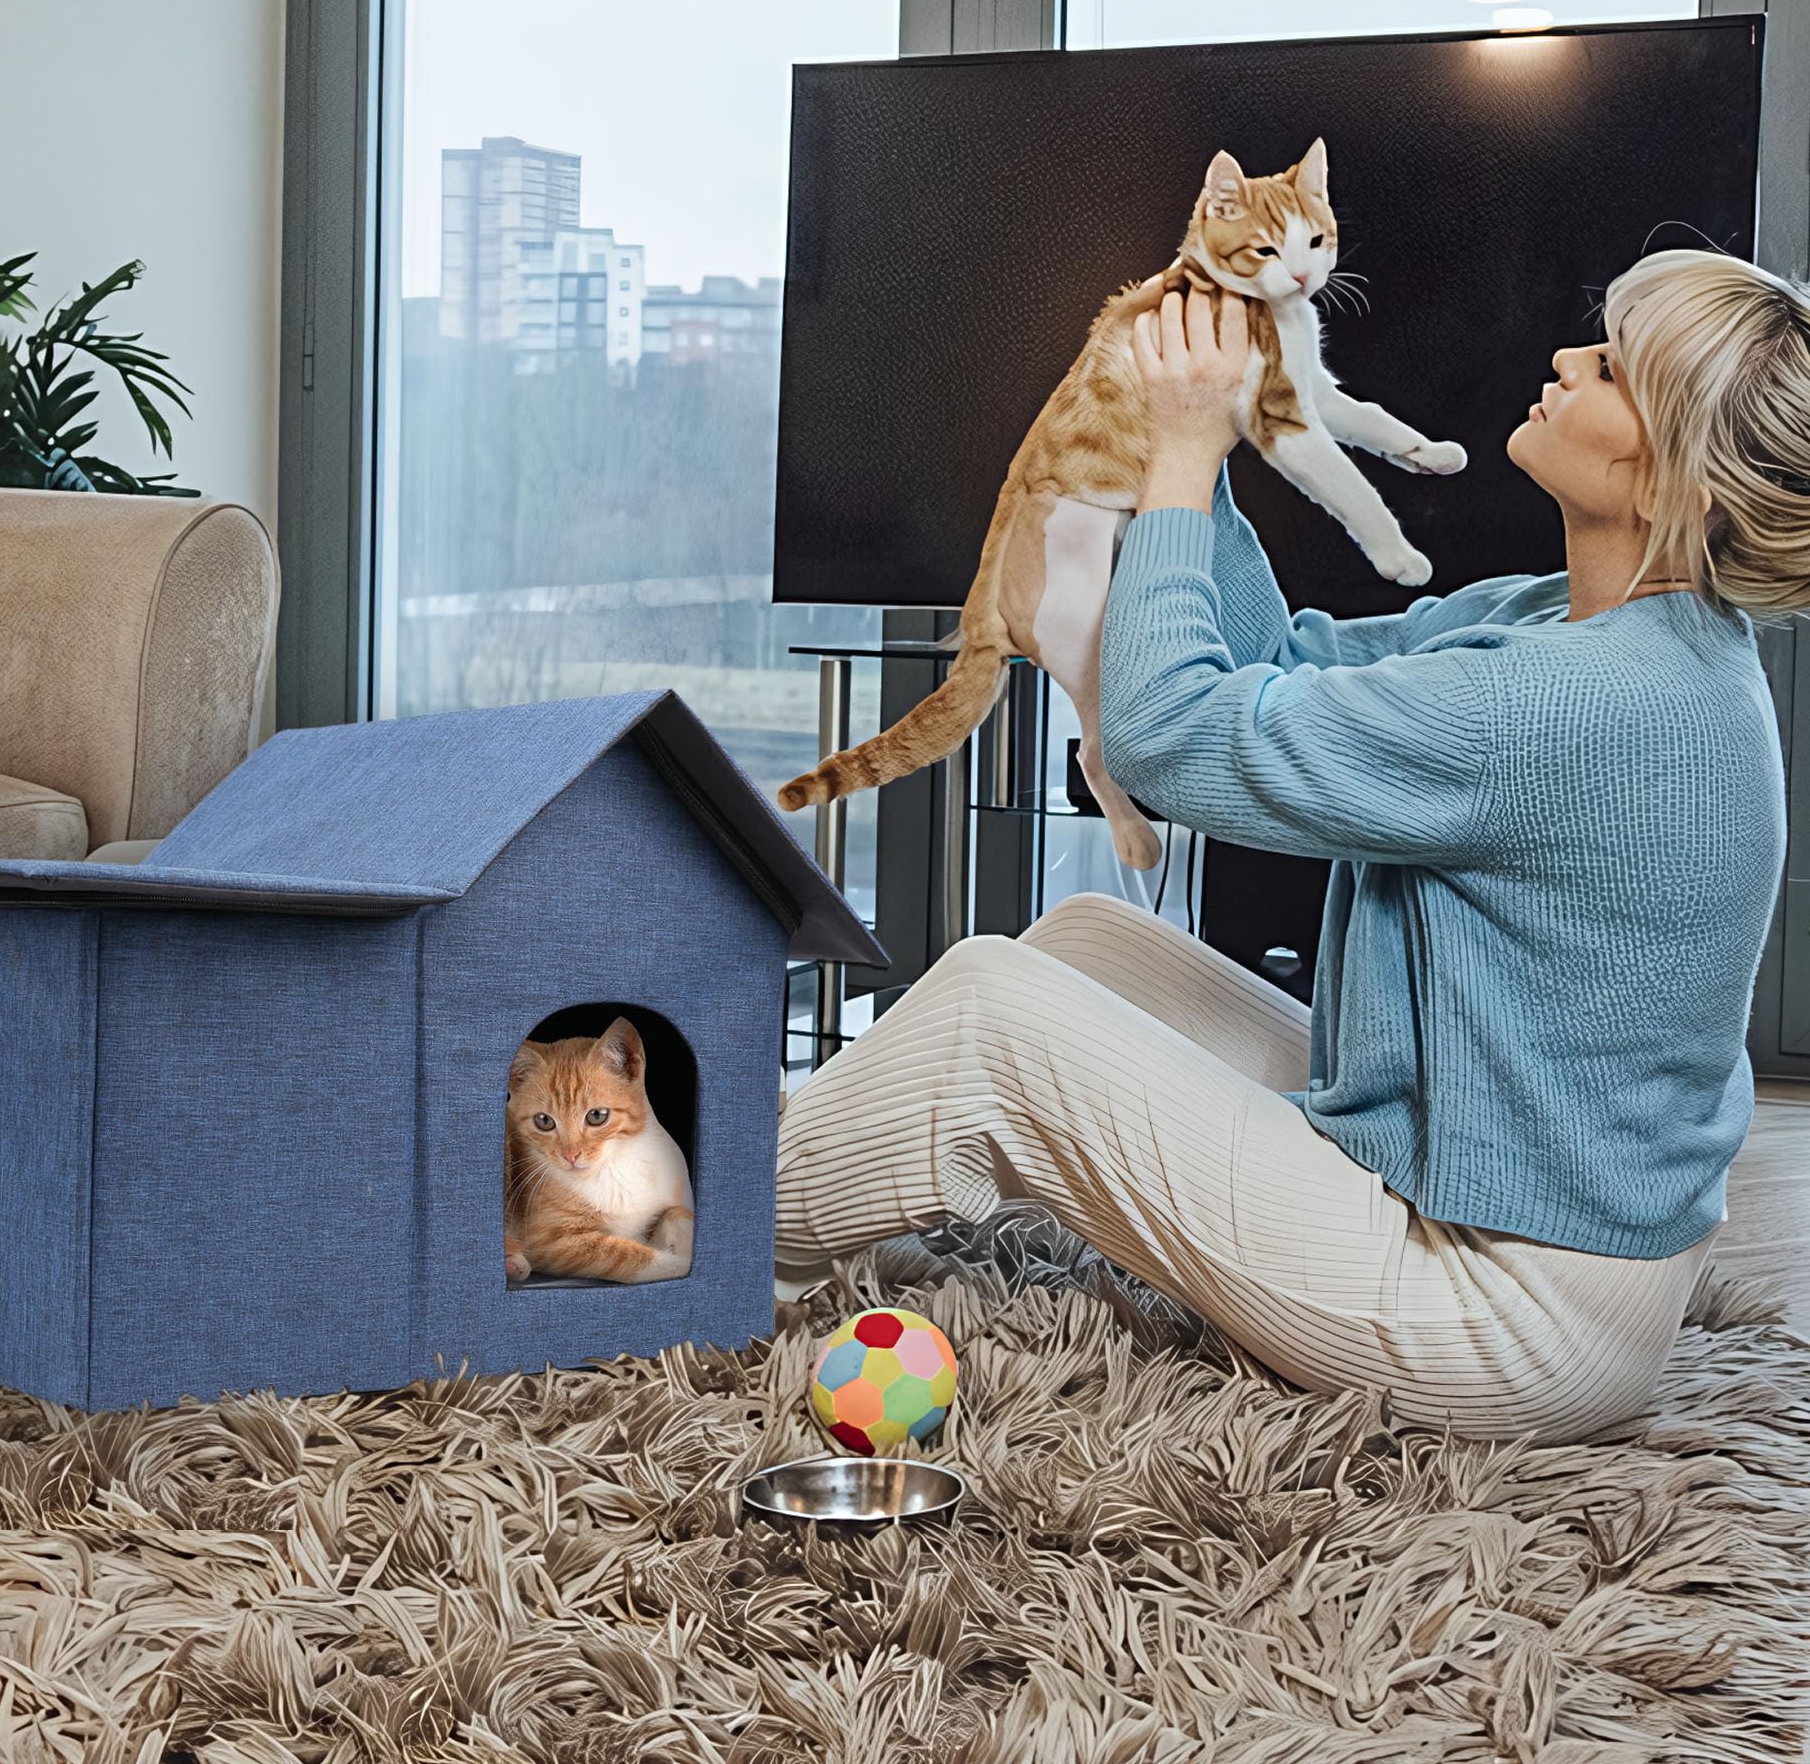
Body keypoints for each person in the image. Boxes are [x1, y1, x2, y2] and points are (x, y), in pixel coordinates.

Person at [775, 249, 1808, 1441]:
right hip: (1506, 1214)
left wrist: (1178, 460)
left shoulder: (1575, 703)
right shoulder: (1576, 626)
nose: (1568, 358)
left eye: (1612, 369)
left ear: (1681, 482)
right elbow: (1280, 666)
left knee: (987, 1012)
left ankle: (687, 1236)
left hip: (1501, 1311)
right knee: (1089, 943)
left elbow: (1166, 741)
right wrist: (1194, 451)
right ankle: (822, 1175)